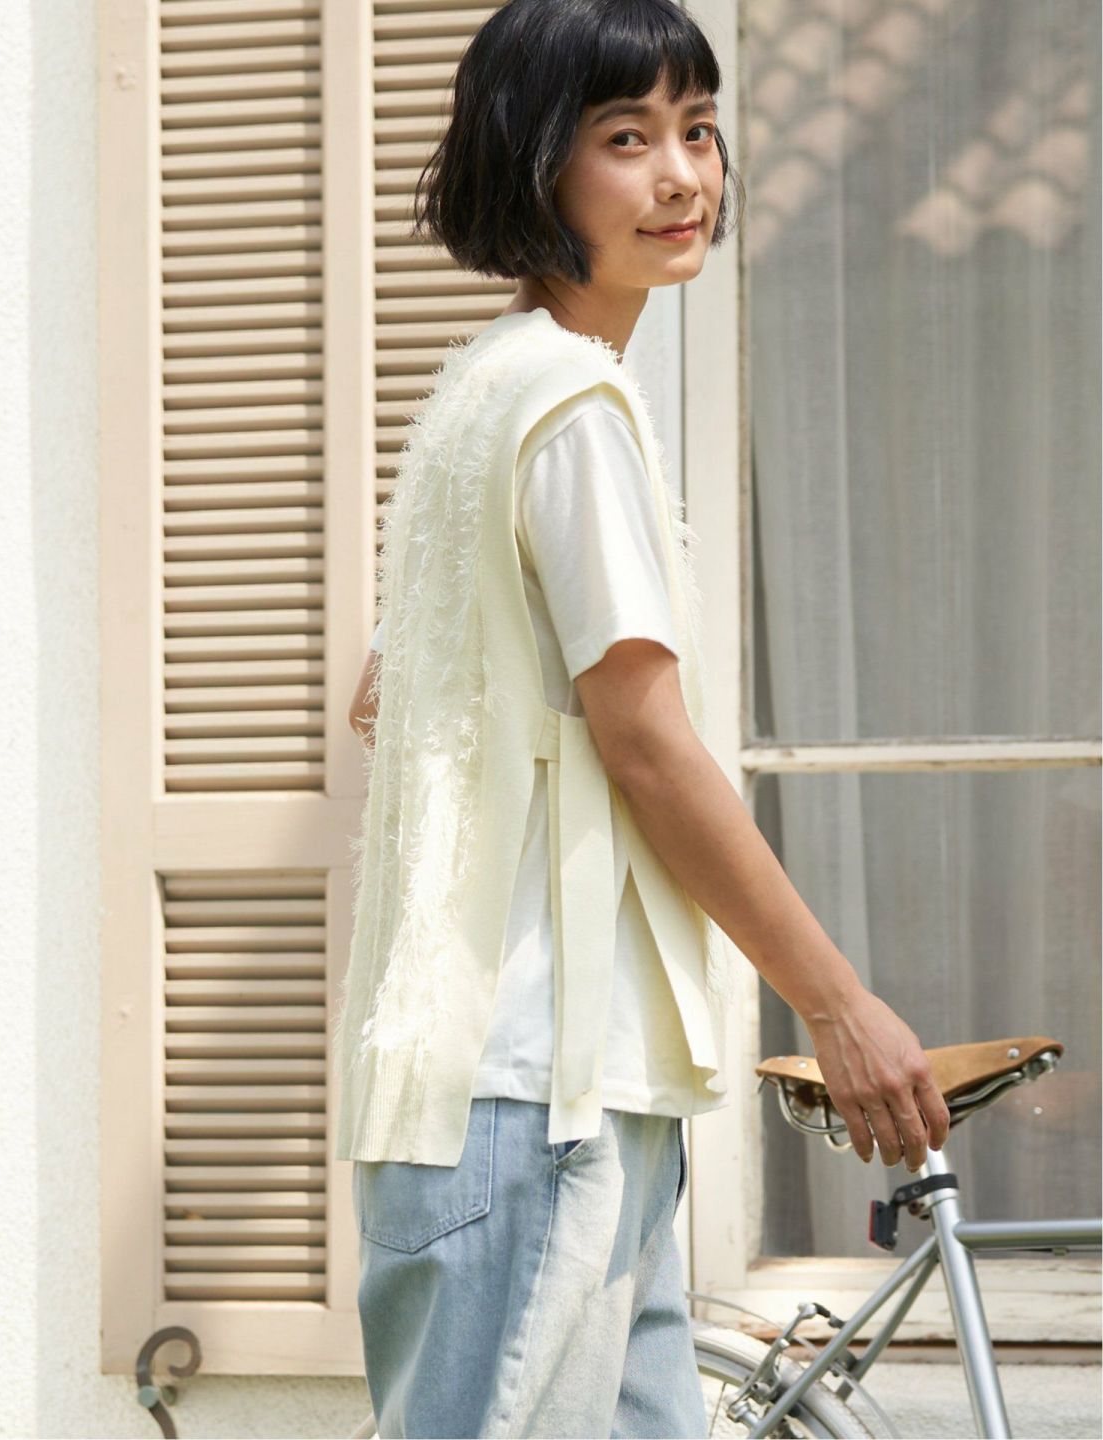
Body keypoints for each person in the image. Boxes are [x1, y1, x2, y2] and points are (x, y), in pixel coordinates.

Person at [341, 2, 951, 1435]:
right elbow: (648, 745)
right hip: (541, 1098)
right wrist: (838, 1003)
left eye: (699, 130)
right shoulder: (571, 406)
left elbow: (385, 695)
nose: (683, 176)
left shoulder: (482, 390)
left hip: (525, 1092)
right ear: (535, 162)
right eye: (626, 139)